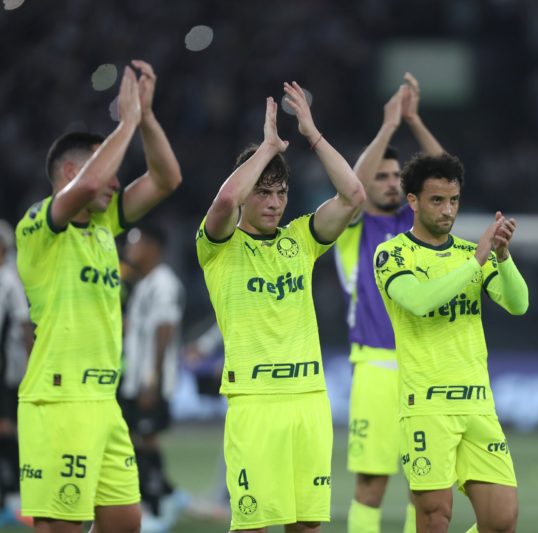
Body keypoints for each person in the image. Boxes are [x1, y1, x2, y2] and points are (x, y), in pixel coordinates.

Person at [14, 61, 182, 533]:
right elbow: (89, 184)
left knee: (125, 522)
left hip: (104, 402)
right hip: (59, 401)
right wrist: (124, 122)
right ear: (69, 170)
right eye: (108, 170)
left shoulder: (106, 227)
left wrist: (146, 119)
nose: (115, 183)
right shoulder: (38, 227)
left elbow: (167, 179)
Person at [196, 84, 364, 532]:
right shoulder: (219, 248)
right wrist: (268, 147)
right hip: (254, 403)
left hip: (309, 400)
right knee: (253, 526)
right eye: (264, 192)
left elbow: (352, 198)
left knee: (307, 527)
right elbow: (226, 202)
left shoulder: (301, 239)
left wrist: (312, 135)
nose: (273, 203)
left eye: (281, 192)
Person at [374, 152, 528, 533]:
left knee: (502, 520)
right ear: (413, 201)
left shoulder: (466, 254)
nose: (448, 210)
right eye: (437, 200)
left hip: (477, 404)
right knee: (435, 517)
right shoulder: (392, 254)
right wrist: (476, 262)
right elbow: (420, 302)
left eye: (454, 200)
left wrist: (503, 258)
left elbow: (519, 303)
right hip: (427, 404)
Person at [335, 73, 444, 533]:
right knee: (372, 484)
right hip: (376, 368)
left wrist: (413, 120)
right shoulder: (351, 228)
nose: (389, 182)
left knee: (425, 485)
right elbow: (352, 189)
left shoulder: (415, 221)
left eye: (397, 176)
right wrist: (387, 128)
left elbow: (443, 175)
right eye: (381, 175)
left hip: (423, 366)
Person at [120, 223, 186, 532]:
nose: (129, 249)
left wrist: (152, 379)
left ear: (152, 247)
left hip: (150, 381)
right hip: (135, 379)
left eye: (136, 242)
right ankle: (165, 496)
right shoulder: (142, 283)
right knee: (137, 440)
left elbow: (164, 331)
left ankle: (159, 505)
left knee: (145, 440)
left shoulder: (164, 283)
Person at [0, 220, 33, 526]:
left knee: (6, 427)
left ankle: (15, 494)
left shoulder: (10, 279)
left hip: (7, 369)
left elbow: (23, 325)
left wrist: (32, 364)